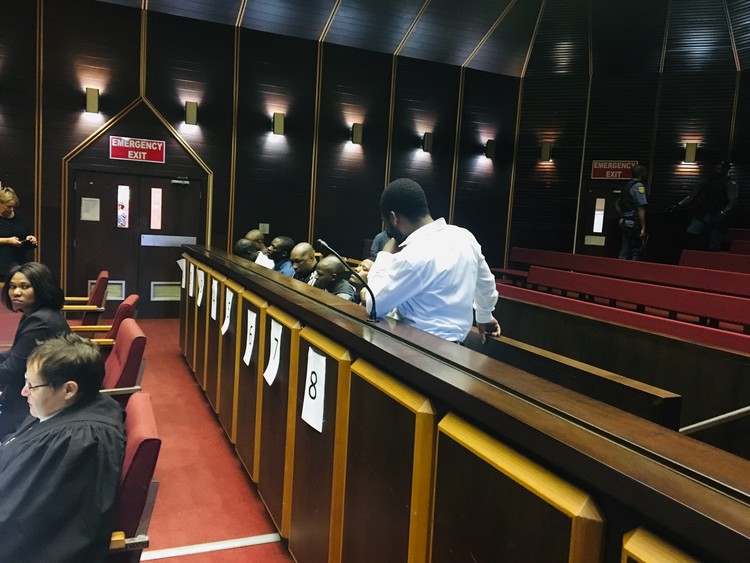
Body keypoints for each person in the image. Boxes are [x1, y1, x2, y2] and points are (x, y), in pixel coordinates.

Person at [0, 333, 125, 562]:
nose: (23, 392)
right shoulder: (72, 408)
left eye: (31, 385)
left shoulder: (74, 442)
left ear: (69, 390)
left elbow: (14, 520)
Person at [363, 178, 500, 343]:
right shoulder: (464, 237)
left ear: (393, 218)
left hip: (419, 353)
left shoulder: (413, 255)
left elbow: (374, 306)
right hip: (457, 352)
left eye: (386, 224)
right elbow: (486, 285)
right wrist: (484, 316)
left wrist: (385, 254)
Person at [0, 262, 70, 438]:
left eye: (25, 287)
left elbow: (12, 371)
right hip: (37, 389)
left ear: (41, 289)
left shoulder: (40, 322)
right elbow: (17, 354)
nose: (16, 293)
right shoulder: (35, 314)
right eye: (12, 287)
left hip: (35, 405)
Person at [670, 159, 738, 251]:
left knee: (714, 242)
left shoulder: (730, 183)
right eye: (717, 168)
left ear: (726, 170)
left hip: (716, 215)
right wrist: (678, 205)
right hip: (702, 213)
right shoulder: (705, 181)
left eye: (722, 168)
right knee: (692, 233)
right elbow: (692, 196)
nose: (719, 170)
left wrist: (722, 213)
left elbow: (732, 202)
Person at [0, 186, 38, 282]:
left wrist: (30, 238)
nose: (11, 209)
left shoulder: (19, 218)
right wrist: (7, 241)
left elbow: (25, 235)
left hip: (18, 265)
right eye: (8, 206)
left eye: (13, 206)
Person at [615, 165, 648, 260]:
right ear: (641, 175)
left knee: (624, 250)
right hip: (633, 221)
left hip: (623, 220)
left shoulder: (626, 185)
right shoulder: (638, 186)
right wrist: (643, 227)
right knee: (636, 251)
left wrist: (622, 215)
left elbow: (616, 203)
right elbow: (641, 208)